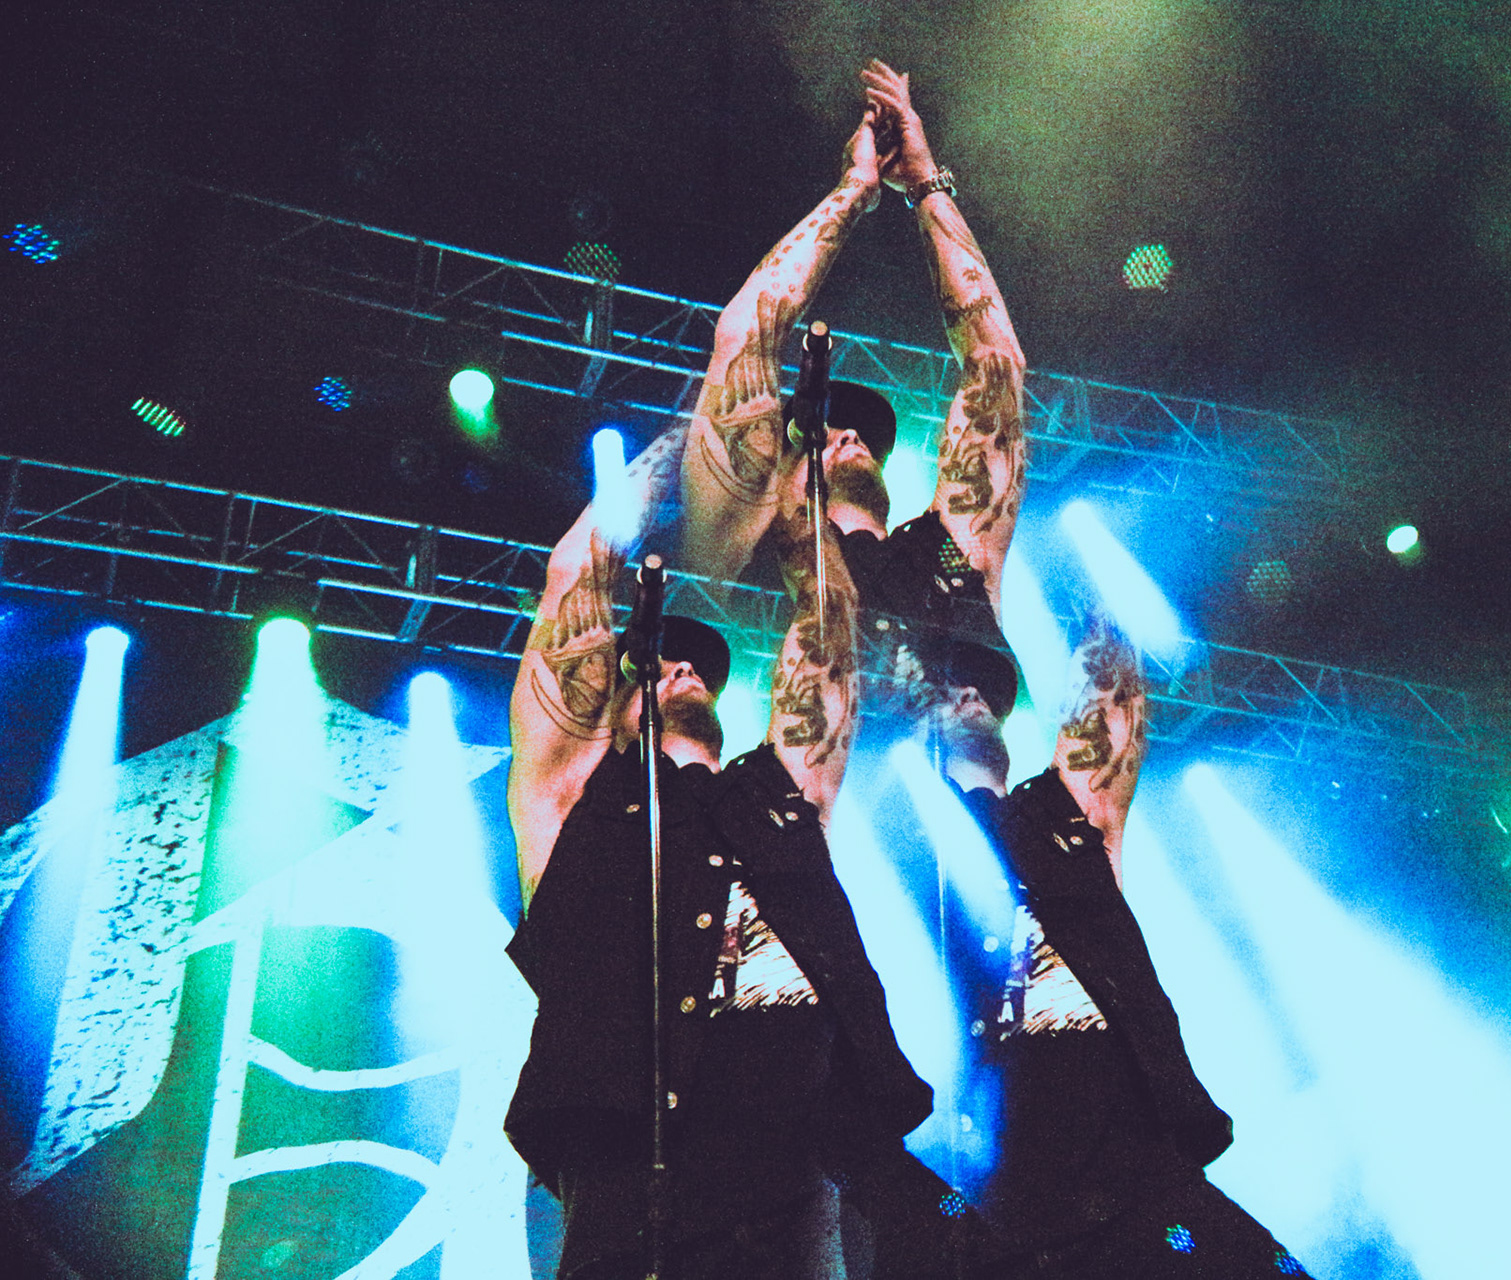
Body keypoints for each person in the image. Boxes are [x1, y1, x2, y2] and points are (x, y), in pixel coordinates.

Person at [502, 430, 941, 1278]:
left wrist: (793, 507)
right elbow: (574, 581)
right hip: (636, 1201)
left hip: (802, 1186)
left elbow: (830, 634)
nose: (680, 673)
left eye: (698, 669)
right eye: (653, 667)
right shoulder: (574, 807)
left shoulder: (780, 794)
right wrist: (686, 447)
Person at [915, 622, 1317, 1280]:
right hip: (990, 1194)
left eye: (980, 689)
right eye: (944, 690)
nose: (968, 696)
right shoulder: (898, 843)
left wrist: (1065, 612)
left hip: (1134, 1174)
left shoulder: (1054, 815)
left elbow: (1111, 707)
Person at [679, 60, 1028, 688]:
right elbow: (747, 334)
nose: (849, 435)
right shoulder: (748, 548)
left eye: (866, 435)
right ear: (778, 465)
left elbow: (996, 364)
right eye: (822, 431)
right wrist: (856, 188)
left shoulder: (949, 553)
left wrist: (925, 183)